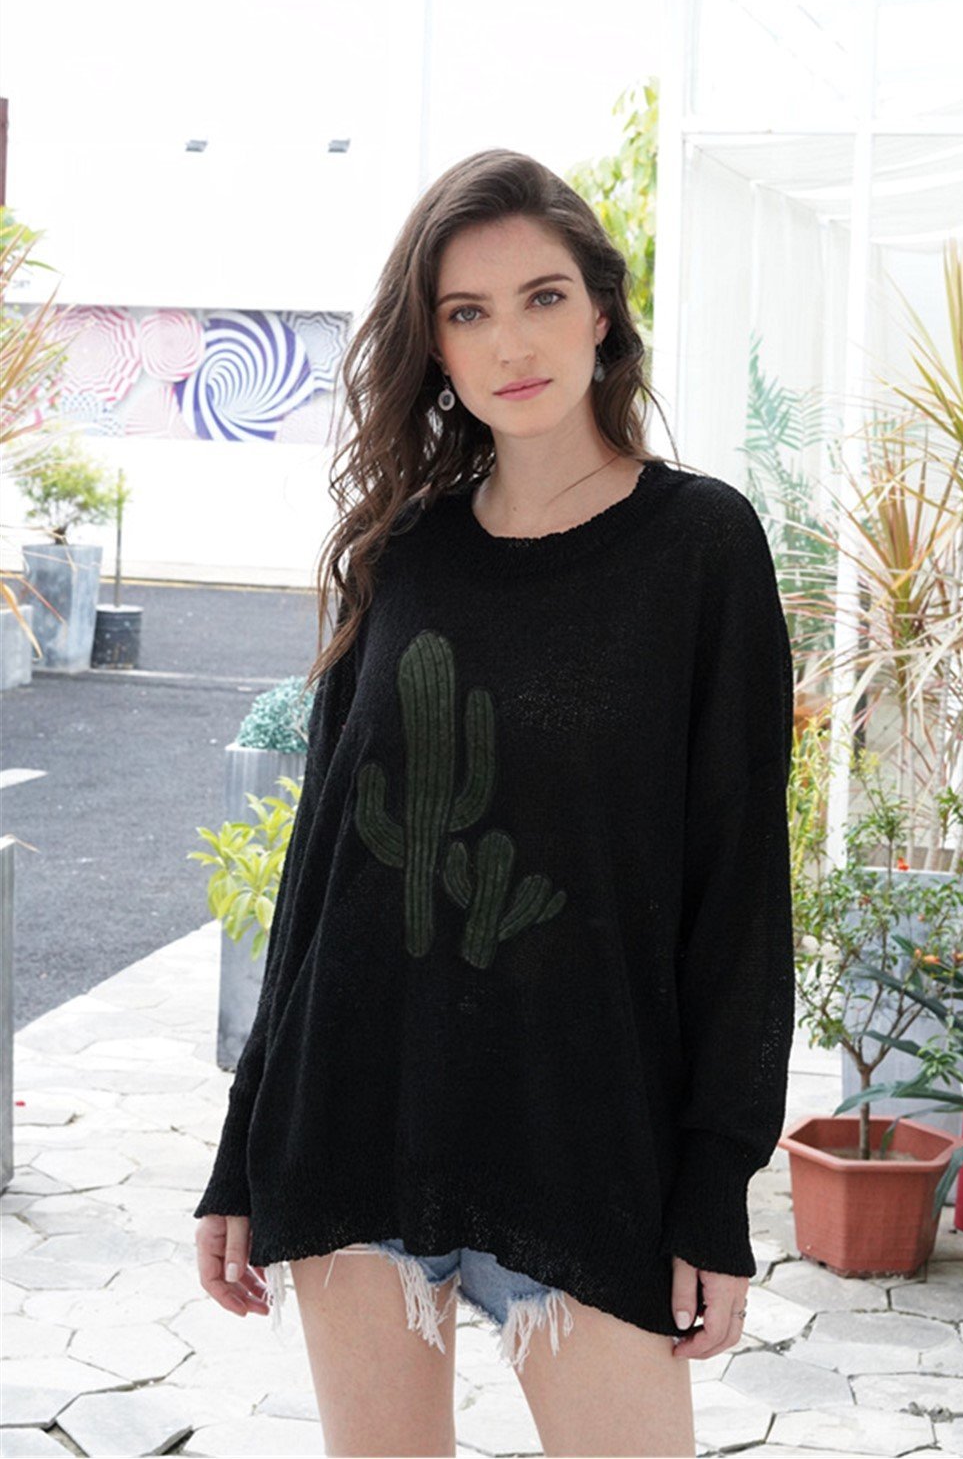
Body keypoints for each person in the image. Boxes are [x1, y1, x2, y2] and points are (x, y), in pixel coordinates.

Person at [193, 147, 796, 1459]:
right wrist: (244, 1147)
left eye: (543, 297)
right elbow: (320, 867)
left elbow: (742, 885)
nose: (511, 343)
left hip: (583, 1137)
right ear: (437, 348)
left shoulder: (701, 546)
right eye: (467, 312)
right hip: (360, 1114)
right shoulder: (403, 547)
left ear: (602, 313)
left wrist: (715, 1185)